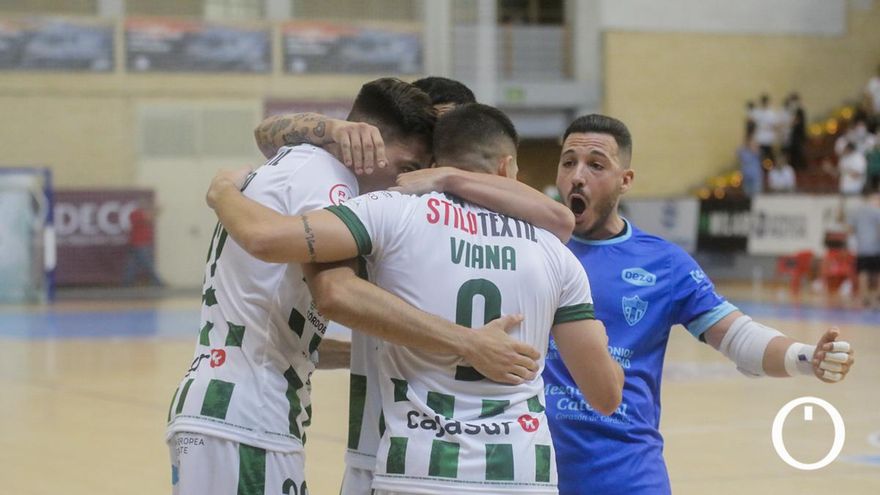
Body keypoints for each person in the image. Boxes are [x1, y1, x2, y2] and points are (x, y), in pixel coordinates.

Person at [207, 103, 625, 495]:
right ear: (507, 167)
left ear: (432, 161)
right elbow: (606, 396)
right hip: (520, 471)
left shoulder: (391, 211)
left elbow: (273, 242)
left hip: (417, 466)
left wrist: (223, 191)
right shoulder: (555, 253)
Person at [165, 78, 541, 495]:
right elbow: (330, 290)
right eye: (410, 168)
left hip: (244, 413)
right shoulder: (331, 180)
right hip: (244, 417)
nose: (409, 184)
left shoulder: (313, 170)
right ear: (367, 144)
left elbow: (285, 326)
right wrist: (469, 344)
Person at [541, 114, 855, 495]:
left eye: (595, 164)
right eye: (568, 162)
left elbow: (738, 336)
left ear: (625, 181)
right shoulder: (533, 247)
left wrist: (806, 357)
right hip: (535, 473)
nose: (577, 176)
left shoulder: (664, 263)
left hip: (628, 476)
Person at [848, 190, 880, 308]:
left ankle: (864, 298)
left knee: (863, 272)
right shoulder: (877, 211)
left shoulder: (856, 212)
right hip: (876, 246)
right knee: (877, 272)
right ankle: (877, 296)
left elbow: (850, 230)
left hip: (863, 247)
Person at [121, 199, 163, 286]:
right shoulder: (135, 214)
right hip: (139, 244)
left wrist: (155, 211)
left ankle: (127, 282)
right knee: (147, 264)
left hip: (141, 244)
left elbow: (149, 217)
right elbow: (148, 217)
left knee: (132, 264)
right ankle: (158, 282)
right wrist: (156, 210)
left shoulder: (141, 214)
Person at [750, 94, 779, 163]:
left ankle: (769, 170)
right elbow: (752, 125)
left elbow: (775, 126)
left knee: (769, 158)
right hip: (759, 139)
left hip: (768, 139)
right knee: (759, 158)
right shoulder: (757, 112)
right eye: (763, 102)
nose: (764, 103)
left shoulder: (771, 113)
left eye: (765, 102)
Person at [737, 133, 763, 197]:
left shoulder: (756, 151)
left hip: (756, 177)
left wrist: (754, 146)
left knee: (756, 195)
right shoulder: (743, 151)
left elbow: (758, 153)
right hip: (746, 176)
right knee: (747, 194)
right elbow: (739, 154)